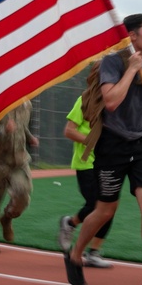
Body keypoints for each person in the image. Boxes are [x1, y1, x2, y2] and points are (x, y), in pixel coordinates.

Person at [63, 13, 142, 285]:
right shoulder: (112, 62)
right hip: (112, 146)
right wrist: (131, 69)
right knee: (105, 210)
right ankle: (76, 253)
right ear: (132, 36)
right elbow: (112, 102)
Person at [57, 94, 113, 268]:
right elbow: (69, 130)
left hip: (108, 162)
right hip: (86, 162)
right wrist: (94, 142)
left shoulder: (116, 102)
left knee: (109, 207)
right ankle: (70, 223)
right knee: (96, 205)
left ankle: (93, 253)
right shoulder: (85, 100)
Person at [0, 100, 38, 252]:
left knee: (23, 194)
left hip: (18, 161)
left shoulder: (27, 104)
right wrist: (4, 131)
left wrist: (29, 137)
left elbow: (22, 127)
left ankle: (7, 218)